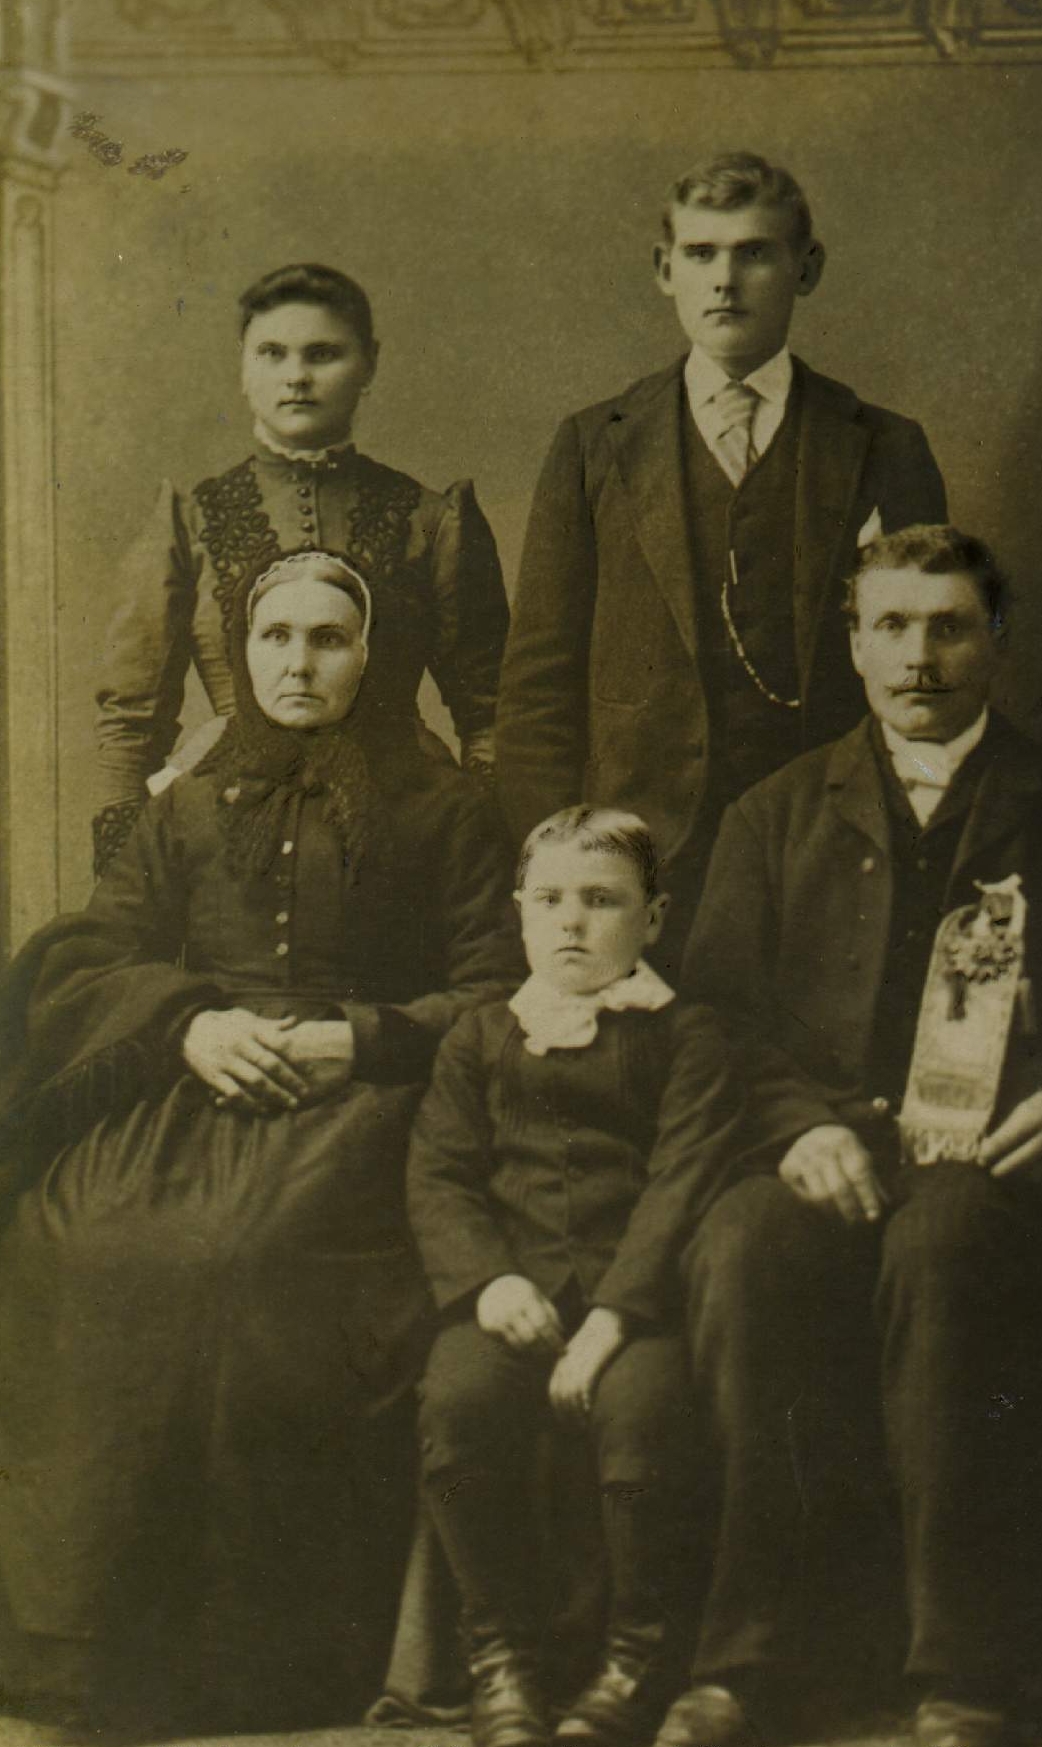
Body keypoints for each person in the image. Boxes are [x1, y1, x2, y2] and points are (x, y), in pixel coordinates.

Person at [668, 525, 1042, 1747]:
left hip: (1004, 1177)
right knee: (744, 1247)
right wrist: (796, 1124)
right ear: (856, 646)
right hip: (827, 1152)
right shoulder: (773, 815)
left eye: (951, 626)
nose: (922, 656)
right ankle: (744, 1661)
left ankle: (957, 1672)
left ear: (996, 644)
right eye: (895, 628)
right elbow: (711, 1017)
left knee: (947, 1248)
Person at [0, 551, 522, 1734]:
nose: (300, 662)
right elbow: (100, 954)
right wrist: (189, 1024)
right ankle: (90, 1649)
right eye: (276, 637)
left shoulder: (442, 808)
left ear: (371, 654)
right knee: (84, 1245)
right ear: (241, 655)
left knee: (253, 1269)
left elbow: (496, 989)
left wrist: (369, 1037)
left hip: (367, 1102)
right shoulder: (184, 804)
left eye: (329, 639)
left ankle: (262, 1662)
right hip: (199, 1075)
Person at [494, 152, 947, 975]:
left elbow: (922, 669)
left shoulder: (884, 446)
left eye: (754, 252)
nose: (725, 281)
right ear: (664, 270)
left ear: (805, 268)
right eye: (700, 255)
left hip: (828, 846)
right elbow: (537, 681)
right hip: (638, 858)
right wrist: (559, 865)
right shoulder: (595, 444)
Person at [407, 806, 745, 1747]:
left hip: (636, 1309)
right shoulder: (479, 1036)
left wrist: (611, 1322)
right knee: (457, 1402)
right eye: (548, 899)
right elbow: (438, 1173)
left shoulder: (688, 1037)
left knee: (639, 1419)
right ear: (516, 911)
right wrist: (484, 1283)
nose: (571, 922)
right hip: (511, 1294)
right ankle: (500, 1656)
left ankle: (635, 1657)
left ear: (654, 919)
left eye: (602, 901)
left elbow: (683, 1181)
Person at [92, 261, 509, 877]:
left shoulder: (432, 519)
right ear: (242, 366)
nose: (296, 377)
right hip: (226, 824)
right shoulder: (191, 518)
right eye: (271, 353)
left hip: (404, 824)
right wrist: (124, 864)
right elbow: (129, 719)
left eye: (322, 353)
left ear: (368, 363)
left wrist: (481, 839)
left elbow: (491, 713)